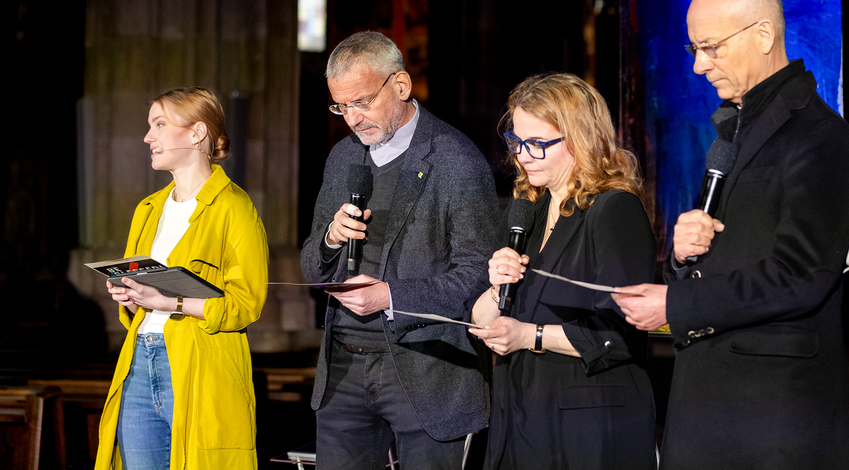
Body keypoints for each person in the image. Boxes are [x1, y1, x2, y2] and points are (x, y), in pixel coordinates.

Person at [613, 0, 849, 470]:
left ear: (764, 34)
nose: (699, 65)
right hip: (707, 411)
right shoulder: (733, 133)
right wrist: (681, 258)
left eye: (711, 47)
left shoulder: (821, 136)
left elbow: (801, 276)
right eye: (694, 49)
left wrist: (675, 302)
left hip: (773, 422)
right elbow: (726, 260)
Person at [301, 31, 498, 470]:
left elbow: (480, 275)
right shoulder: (342, 158)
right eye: (341, 107)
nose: (353, 119)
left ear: (402, 85)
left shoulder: (455, 159)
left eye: (362, 102)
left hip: (426, 371)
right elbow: (311, 267)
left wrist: (391, 297)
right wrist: (331, 238)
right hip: (344, 368)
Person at [468, 72, 657, 470]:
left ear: (581, 139)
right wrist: (495, 288)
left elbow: (620, 333)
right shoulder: (527, 213)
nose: (523, 156)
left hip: (587, 428)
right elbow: (482, 321)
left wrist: (530, 335)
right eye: (516, 142)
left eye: (538, 144)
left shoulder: (614, 210)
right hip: (520, 417)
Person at [95, 87, 269, 470]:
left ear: (197, 132)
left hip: (200, 364)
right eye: (149, 126)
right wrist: (130, 295)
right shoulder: (148, 209)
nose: (148, 137)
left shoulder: (235, 208)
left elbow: (246, 305)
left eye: (159, 124)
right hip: (140, 360)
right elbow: (140, 303)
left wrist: (169, 301)